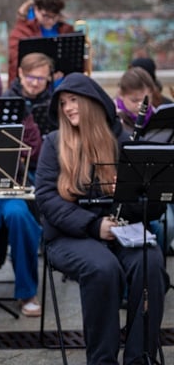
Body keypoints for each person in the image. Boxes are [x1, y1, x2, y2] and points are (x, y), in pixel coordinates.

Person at [35, 72, 169, 365]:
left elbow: (152, 206)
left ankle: (139, 357)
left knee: (152, 262)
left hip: (122, 230)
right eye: (64, 103)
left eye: (74, 100)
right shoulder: (54, 143)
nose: (68, 107)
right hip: (70, 236)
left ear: (93, 102)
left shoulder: (122, 139)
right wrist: (94, 225)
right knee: (102, 267)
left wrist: (131, 190)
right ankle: (102, 360)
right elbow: (46, 199)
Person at [0, 66, 42, 318]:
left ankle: (27, 291)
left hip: (7, 185)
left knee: (20, 216)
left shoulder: (15, 112)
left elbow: (35, 150)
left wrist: (23, 123)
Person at [7, 0, 75, 85]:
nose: (51, 21)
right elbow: (16, 62)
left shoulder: (65, 29)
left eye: (54, 17)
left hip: (61, 84)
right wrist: (46, 75)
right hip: (33, 85)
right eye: (45, 16)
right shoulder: (22, 30)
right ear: (36, 10)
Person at [115, 66, 159, 134]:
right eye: (134, 100)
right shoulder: (113, 118)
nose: (141, 105)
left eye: (146, 100)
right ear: (121, 95)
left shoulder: (157, 114)